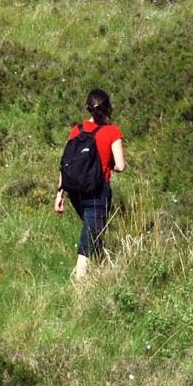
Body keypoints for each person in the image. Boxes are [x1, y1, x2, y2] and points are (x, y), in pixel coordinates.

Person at [54, 88, 125, 281]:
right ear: (108, 108)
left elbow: (66, 163)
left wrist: (59, 194)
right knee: (89, 233)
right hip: (97, 190)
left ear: (88, 107)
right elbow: (120, 166)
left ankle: (102, 265)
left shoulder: (77, 130)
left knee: (95, 230)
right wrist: (107, 161)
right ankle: (79, 282)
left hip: (75, 191)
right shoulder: (112, 132)